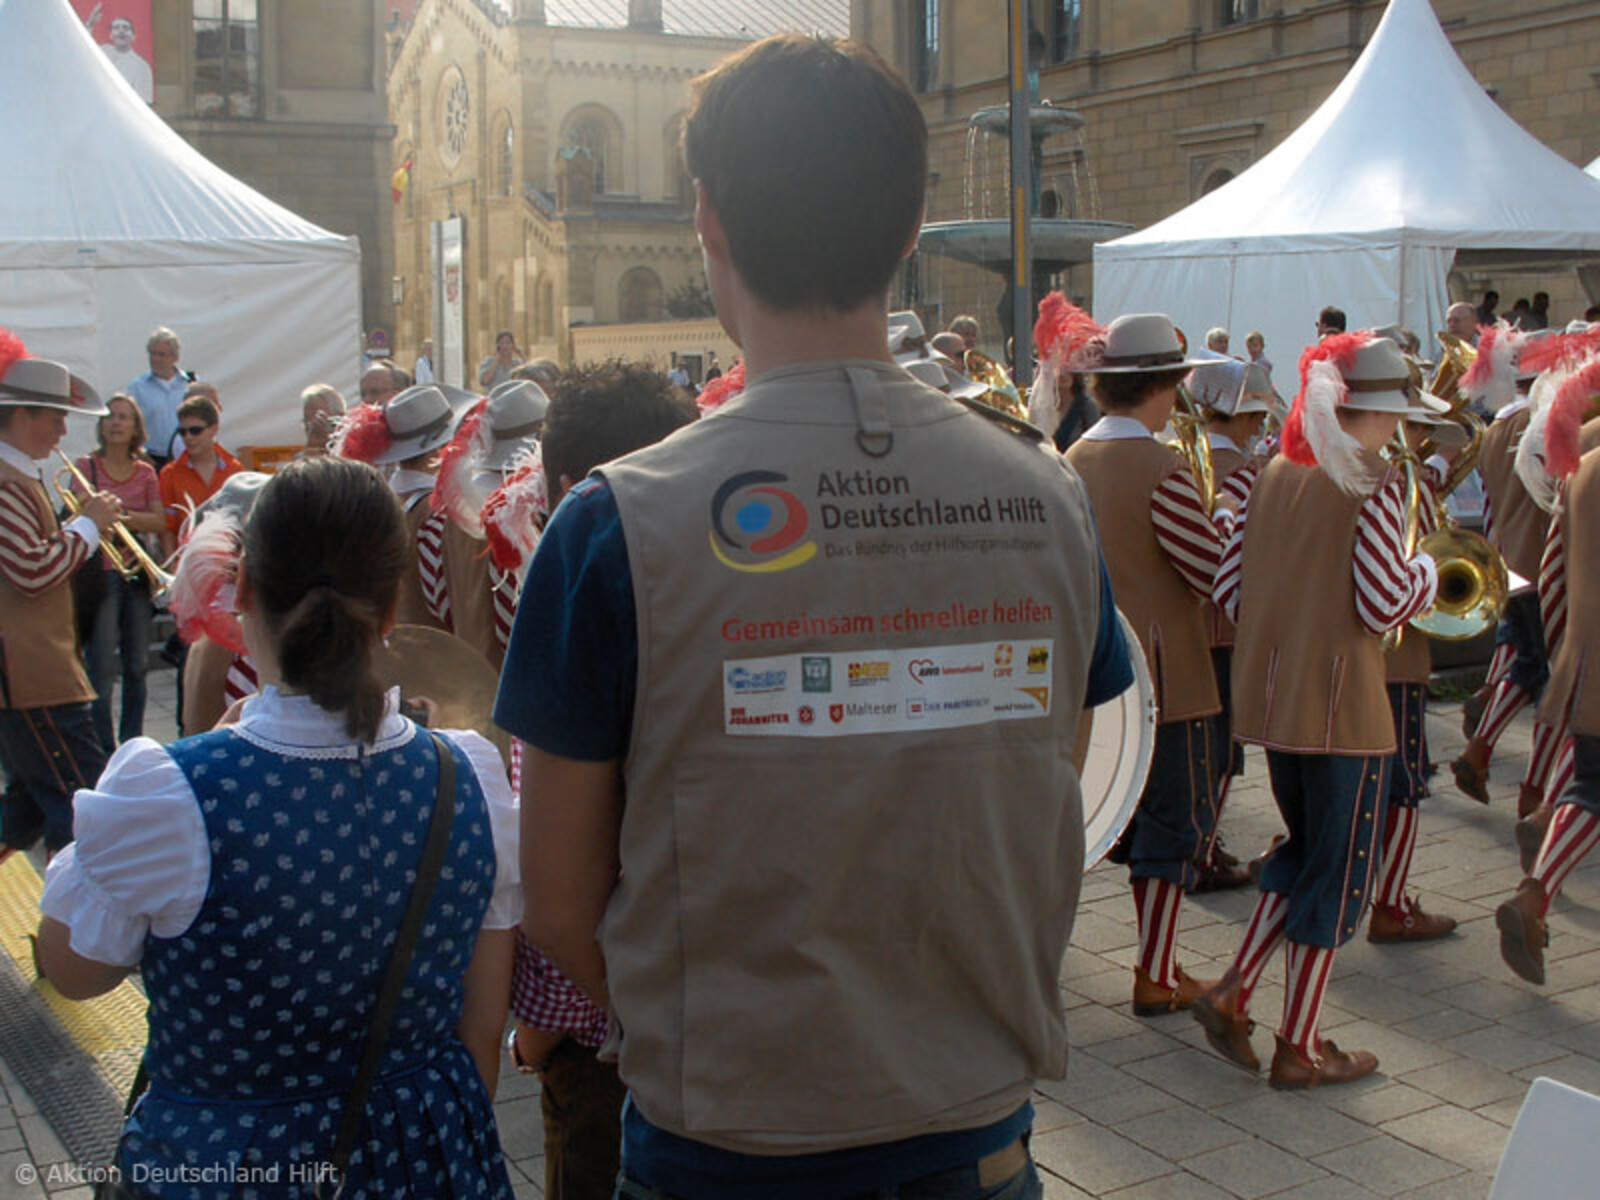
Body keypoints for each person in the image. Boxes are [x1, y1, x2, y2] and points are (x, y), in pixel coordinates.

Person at [496, 34, 1132, 1199]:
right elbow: (1054, 784)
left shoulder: (608, 528)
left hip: (721, 1141)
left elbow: (558, 896)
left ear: (708, 223)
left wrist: (682, 1029)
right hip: (975, 1132)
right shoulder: (1048, 495)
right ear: (907, 233)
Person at [35, 456, 521, 1196]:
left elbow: (71, 972)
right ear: (391, 611)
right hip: (426, 1152)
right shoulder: (469, 774)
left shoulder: (169, 790)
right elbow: (481, 1025)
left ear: (244, 590)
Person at [1194, 334, 1443, 1089]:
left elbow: (1230, 591)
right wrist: (1427, 571)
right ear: (1388, 411)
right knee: (1338, 878)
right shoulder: (1371, 480)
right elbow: (1381, 602)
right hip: (1346, 708)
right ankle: (1298, 1046)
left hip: (1274, 703)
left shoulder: (1272, 472)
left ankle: (1236, 988)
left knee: (1301, 855)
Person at [498, 362, 695, 1200]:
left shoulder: (580, 580)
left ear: (574, 490)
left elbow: (558, 905)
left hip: (615, 1045)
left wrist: (548, 1035)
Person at [1064, 308, 1238, 1010]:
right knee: (1171, 828)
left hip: (1093, 671)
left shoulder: (1071, 460)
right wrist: (1226, 516)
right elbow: (1209, 570)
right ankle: (1157, 973)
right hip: (1167, 674)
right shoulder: (1161, 467)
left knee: (1104, 823)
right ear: (1163, 387)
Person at [1495, 365, 1600, 986]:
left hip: (1589, 663)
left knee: (1590, 789)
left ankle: (1534, 894)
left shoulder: (1584, 463)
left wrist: (1568, 658)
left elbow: (1554, 572)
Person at [0, 338, 118, 858]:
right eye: (55, 417)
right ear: (21, 416)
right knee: (83, 812)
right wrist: (89, 526)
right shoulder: (5, 484)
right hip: (33, 679)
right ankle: (69, 933)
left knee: (23, 813)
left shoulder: (17, 476)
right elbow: (30, 570)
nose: (63, 430)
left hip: (37, 674)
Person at [1186, 353, 1274, 893]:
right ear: (1236, 415)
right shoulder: (1247, 475)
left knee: (1196, 747)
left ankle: (1198, 844)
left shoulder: (1178, 459)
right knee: (1219, 751)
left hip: (1182, 627)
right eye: (1255, 415)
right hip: (1226, 628)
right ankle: (1203, 849)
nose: (1261, 425)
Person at [333, 383, 473, 631]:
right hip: (437, 657)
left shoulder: (373, 503)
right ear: (441, 450)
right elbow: (448, 606)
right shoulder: (436, 515)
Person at [75, 394, 164, 754]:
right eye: (110, 416)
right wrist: (108, 516)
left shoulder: (145, 471)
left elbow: (159, 520)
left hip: (135, 576)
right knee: (101, 668)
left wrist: (117, 516)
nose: (115, 422)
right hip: (101, 576)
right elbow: (80, 514)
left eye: (124, 417)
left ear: (135, 427)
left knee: (138, 665)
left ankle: (132, 744)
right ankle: (102, 748)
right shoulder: (86, 465)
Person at [157, 393, 242, 543]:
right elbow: (167, 528)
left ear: (214, 429)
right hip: (186, 559)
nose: (188, 437)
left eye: (195, 430)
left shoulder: (235, 471)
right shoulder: (169, 474)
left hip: (227, 559)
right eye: (183, 432)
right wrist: (170, 566)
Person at [126, 326, 189, 469]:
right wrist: (141, 455)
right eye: (152, 354)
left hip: (186, 458)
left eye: (161, 354)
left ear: (175, 357)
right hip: (152, 459)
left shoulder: (191, 383)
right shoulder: (137, 388)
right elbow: (128, 425)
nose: (156, 359)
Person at [89, 11, 153, 104]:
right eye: (116, 28)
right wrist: (90, 25)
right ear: (111, 35)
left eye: (126, 28)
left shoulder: (142, 67)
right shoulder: (103, 52)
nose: (121, 31)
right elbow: (83, 51)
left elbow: (144, 102)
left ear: (133, 36)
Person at [297, 383, 346, 459]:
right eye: (307, 424)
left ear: (339, 418)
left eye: (319, 420)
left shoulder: (356, 455)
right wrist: (312, 449)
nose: (313, 431)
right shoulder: (299, 462)